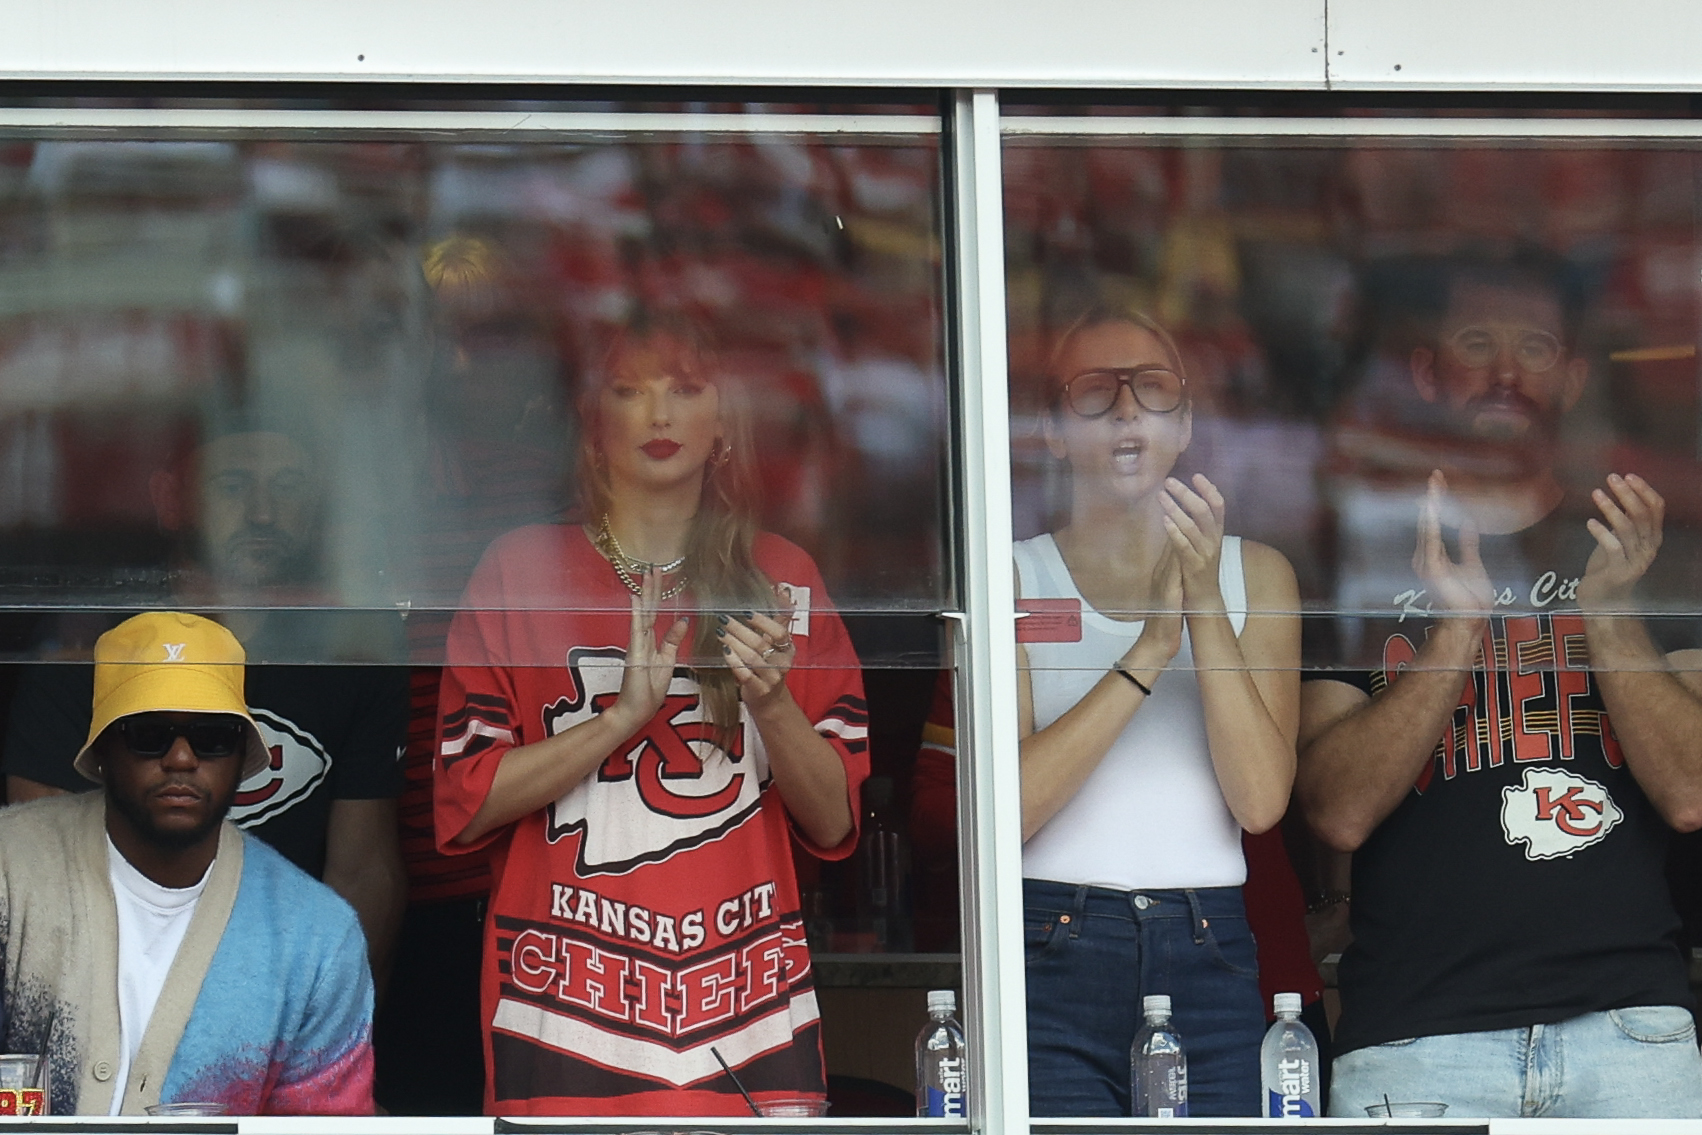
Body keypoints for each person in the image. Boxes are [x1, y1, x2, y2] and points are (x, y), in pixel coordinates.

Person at [433, 314, 869, 1117]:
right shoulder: (518, 568)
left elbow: (837, 819)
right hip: (563, 1014)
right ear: (592, 428)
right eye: (628, 391)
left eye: (686, 389)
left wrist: (770, 700)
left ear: (724, 426)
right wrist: (620, 717)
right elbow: (464, 803)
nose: (659, 414)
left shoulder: (783, 576)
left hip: (748, 1020)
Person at [1298, 252, 1702, 1118]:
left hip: (1629, 1030)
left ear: (1575, 374)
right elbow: (1335, 809)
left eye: (1538, 344)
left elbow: (1693, 792)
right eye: (1477, 341)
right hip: (1417, 1041)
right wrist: (1458, 626)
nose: (1509, 367)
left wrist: (1610, 612)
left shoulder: (1641, 548)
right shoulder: (1360, 555)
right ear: (1428, 372)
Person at [1015, 307, 1301, 1117]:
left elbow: (1260, 801)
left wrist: (1203, 601)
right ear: (1052, 429)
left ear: (1186, 425)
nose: (1128, 410)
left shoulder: (1260, 575)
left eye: (1153, 388)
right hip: (1053, 933)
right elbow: (1007, 809)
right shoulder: (1011, 575)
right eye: (1096, 392)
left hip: (1207, 935)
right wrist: (1145, 651)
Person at [2, 422, 408, 987]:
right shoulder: (94, 649)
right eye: (234, 485)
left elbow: (363, 873)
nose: (263, 513)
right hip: (114, 992)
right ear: (171, 499)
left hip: (281, 994)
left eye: (288, 485)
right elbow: (40, 877)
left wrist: (336, 1040)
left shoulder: (350, 650)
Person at [0, 611, 374, 1115]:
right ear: (104, 748)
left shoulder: (316, 940)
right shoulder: (9, 871)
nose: (180, 758)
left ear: (243, 755)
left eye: (212, 736)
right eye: (149, 733)